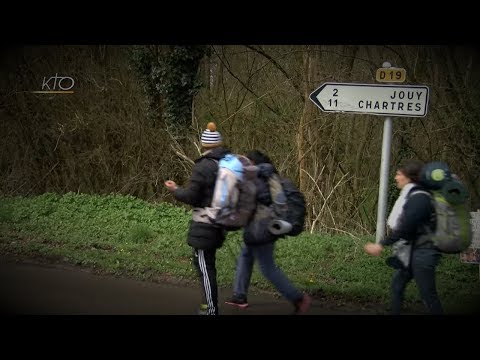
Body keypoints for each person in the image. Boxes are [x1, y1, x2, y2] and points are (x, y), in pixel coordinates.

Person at [225, 150, 312, 314]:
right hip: (261, 226)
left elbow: (249, 203)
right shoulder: (267, 176)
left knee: (267, 267)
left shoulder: (258, 179)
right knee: (246, 256)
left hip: (261, 228)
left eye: (247, 160)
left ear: (253, 163)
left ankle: (298, 298)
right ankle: (239, 296)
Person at [164, 122, 230, 315]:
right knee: (207, 264)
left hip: (205, 224)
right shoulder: (226, 163)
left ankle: (210, 309)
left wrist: (174, 189)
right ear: (219, 144)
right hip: (220, 222)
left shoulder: (203, 167)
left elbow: (191, 197)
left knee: (204, 266)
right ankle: (208, 304)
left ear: (203, 145)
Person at [364, 159, 443, 315]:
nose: (395, 177)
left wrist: (381, 244)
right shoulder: (413, 195)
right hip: (412, 251)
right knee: (397, 287)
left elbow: (407, 226)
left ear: (409, 177)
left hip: (423, 254)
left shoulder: (419, 198)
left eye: (398, 174)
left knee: (428, 296)